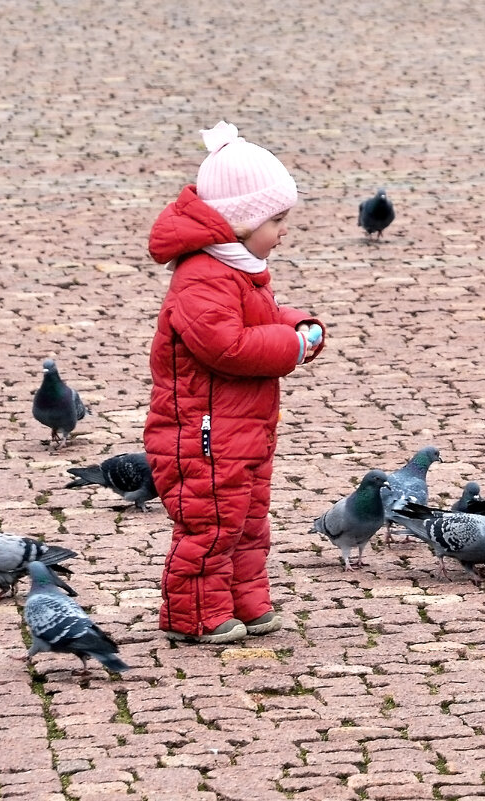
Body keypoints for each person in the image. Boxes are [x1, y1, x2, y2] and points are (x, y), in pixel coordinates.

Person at [145, 121, 325, 644]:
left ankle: (245, 602)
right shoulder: (201, 276)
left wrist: (296, 322)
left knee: (248, 521)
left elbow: (256, 316)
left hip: (240, 426)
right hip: (201, 431)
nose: (283, 230)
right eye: (277, 219)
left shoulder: (236, 269)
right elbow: (226, 345)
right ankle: (194, 613)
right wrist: (289, 347)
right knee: (211, 523)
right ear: (241, 222)